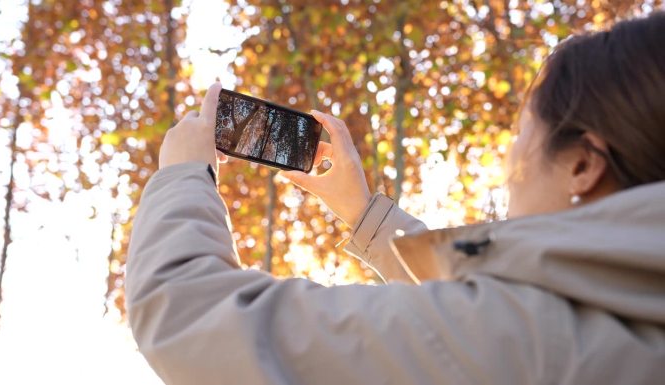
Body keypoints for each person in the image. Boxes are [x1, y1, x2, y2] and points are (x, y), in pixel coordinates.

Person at [125, 12, 665, 385]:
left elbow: (188, 316)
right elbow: (470, 321)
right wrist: (364, 215)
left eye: (523, 132)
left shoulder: (536, 340)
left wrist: (184, 174)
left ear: (582, 164)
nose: (510, 166)